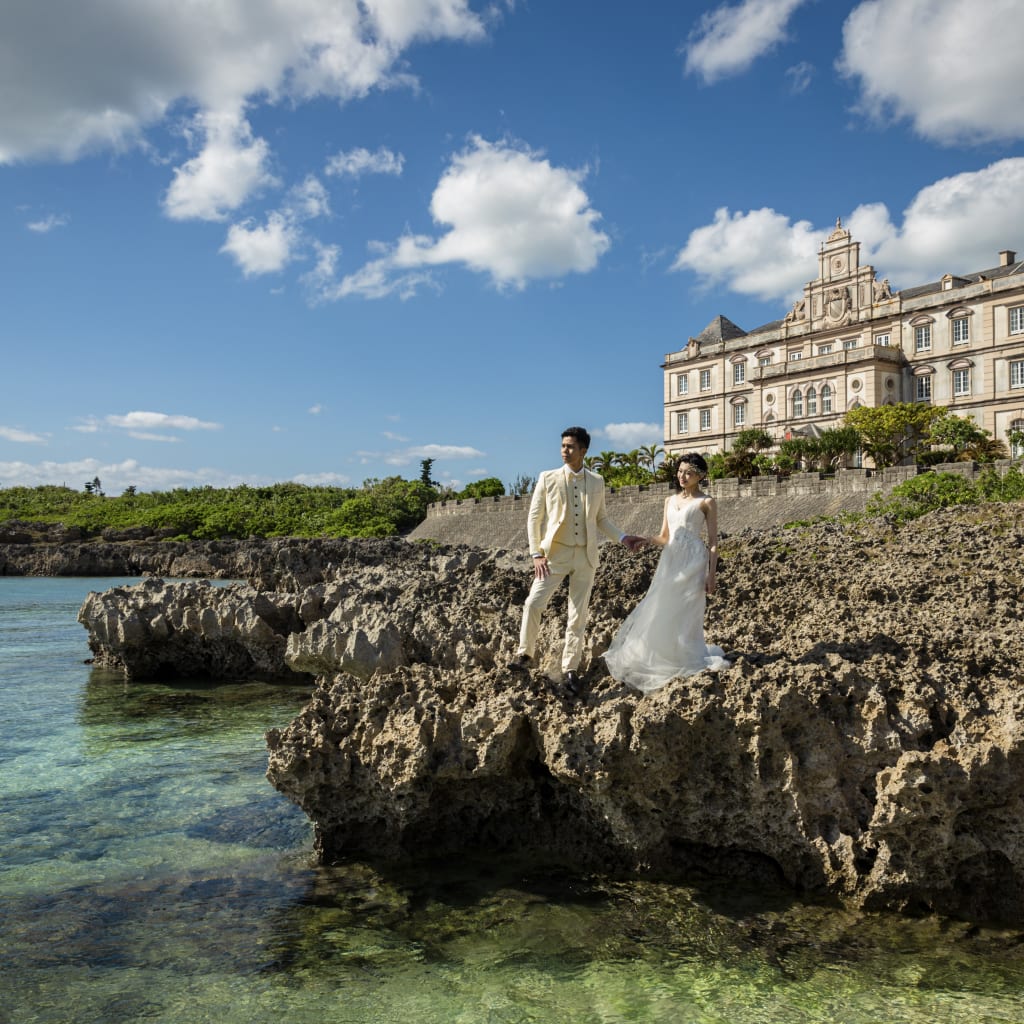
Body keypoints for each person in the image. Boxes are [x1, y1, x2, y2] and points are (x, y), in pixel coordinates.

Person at [509, 426, 643, 696]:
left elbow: (601, 519)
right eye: (562, 446)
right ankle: (525, 654)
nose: (564, 451)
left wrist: (623, 537)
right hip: (554, 555)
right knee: (533, 603)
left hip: (585, 555)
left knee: (577, 617)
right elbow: (534, 518)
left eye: (570, 446)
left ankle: (570, 668)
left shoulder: (597, 481)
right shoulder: (547, 478)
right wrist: (536, 553)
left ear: (583, 450)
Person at [603, 453, 730, 694]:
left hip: (694, 561)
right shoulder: (669, 501)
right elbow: (664, 537)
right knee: (662, 605)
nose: (683, 476)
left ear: (700, 476)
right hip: (671, 560)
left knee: (686, 609)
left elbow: (713, 541)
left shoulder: (707, 502)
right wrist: (645, 540)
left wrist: (711, 574)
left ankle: (684, 653)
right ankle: (664, 652)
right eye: (680, 471)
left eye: (689, 473)